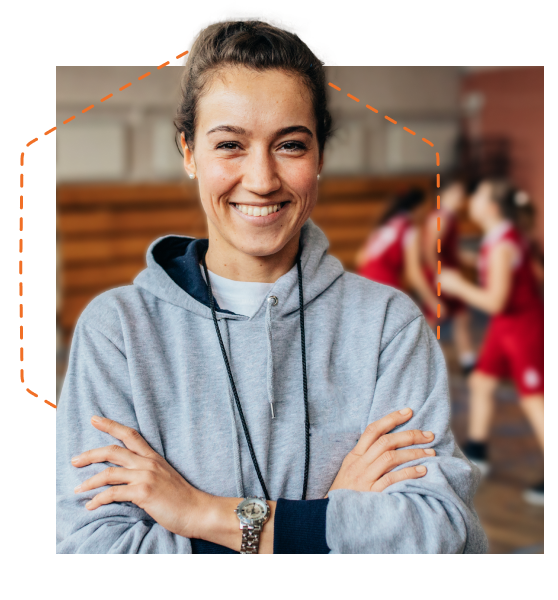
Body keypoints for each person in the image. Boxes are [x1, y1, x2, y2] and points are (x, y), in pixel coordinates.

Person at [56, 6, 487, 553]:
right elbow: (92, 546)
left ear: (320, 155)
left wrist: (200, 514)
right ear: (189, 152)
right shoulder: (118, 332)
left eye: (290, 144)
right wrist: (326, 522)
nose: (261, 179)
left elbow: (443, 535)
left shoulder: (386, 326)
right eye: (230, 144)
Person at [439, 179, 544, 506]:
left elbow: (495, 301)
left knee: (534, 402)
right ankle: (478, 449)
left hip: (523, 327)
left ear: (493, 207)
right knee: (482, 382)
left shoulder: (502, 245)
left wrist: (456, 285)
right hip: (505, 327)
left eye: (480, 194)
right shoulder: (499, 239)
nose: (473, 198)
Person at [356, 188, 441, 320]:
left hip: (363, 285)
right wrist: (433, 302)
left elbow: (361, 258)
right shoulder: (411, 229)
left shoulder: (387, 223)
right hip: (384, 286)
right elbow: (414, 273)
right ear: (418, 207)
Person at [422, 177, 476, 375]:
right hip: (443, 277)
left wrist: (466, 258)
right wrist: (439, 274)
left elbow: (446, 249)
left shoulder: (449, 216)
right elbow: (429, 250)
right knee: (435, 317)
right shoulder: (442, 217)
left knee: (462, 316)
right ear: (446, 192)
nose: (462, 196)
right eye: (458, 191)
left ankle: (468, 360)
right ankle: (415, 357)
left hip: (449, 275)